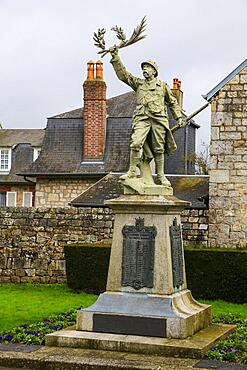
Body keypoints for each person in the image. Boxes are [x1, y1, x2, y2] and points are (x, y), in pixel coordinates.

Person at [109, 47, 184, 186]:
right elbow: (123, 75)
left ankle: (161, 176)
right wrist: (115, 57)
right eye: (143, 67)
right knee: (136, 143)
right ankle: (132, 170)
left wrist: (178, 117)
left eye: (148, 67)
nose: (145, 69)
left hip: (158, 119)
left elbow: (173, 102)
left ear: (154, 71)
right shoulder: (138, 83)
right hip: (142, 118)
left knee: (159, 148)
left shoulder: (162, 86)